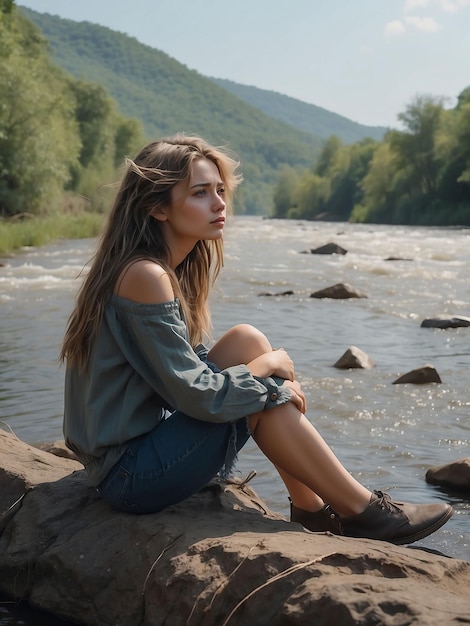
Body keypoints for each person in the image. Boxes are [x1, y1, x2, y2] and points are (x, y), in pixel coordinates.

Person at [60, 134, 453, 545]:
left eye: (219, 190)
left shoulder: (154, 269)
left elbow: (182, 366)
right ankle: (364, 511)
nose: (219, 203)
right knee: (260, 384)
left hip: (126, 461)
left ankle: (311, 508)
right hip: (129, 477)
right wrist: (265, 375)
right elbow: (197, 396)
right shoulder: (146, 276)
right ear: (157, 207)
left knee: (248, 339)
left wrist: (262, 379)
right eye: (200, 193)